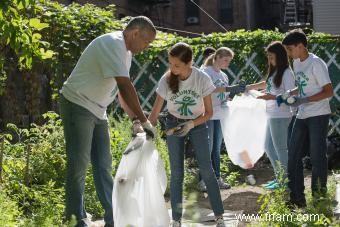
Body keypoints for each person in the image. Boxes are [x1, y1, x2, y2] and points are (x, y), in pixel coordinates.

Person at [59, 16, 156, 227]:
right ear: (135, 33)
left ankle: (114, 218)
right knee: (79, 164)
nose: (146, 47)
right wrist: (145, 121)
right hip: (77, 103)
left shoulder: (126, 53)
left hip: (98, 110)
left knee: (103, 165)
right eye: (146, 42)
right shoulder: (112, 43)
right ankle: (75, 219)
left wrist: (134, 120)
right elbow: (125, 86)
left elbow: (120, 92)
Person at [148, 42, 226, 227]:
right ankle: (176, 219)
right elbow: (155, 111)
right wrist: (146, 128)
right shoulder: (167, 79)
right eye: (170, 64)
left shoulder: (202, 78)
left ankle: (219, 216)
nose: (172, 69)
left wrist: (191, 124)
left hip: (197, 124)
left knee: (207, 170)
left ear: (189, 62)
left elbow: (209, 113)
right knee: (177, 173)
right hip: (173, 124)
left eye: (177, 65)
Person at [280, 29, 333, 207]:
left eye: (289, 49)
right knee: (293, 156)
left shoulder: (316, 63)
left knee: (317, 158)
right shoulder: (296, 62)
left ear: (301, 46)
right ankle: (297, 199)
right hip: (302, 114)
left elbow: (328, 91)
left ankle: (319, 200)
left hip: (318, 115)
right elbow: (303, 86)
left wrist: (304, 99)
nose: (288, 53)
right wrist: (290, 93)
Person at [246, 41, 295, 190]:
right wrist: (250, 87)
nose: (269, 59)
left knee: (280, 148)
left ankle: (284, 182)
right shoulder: (275, 71)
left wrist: (271, 97)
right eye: (268, 56)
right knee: (267, 146)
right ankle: (280, 177)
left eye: (271, 56)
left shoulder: (287, 72)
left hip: (281, 115)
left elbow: (290, 94)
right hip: (271, 114)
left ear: (280, 56)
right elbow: (267, 84)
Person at [197, 47, 246, 192]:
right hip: (207, 114)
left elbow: (224, 96)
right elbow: (208, 90)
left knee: (216, 150)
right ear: (216, 57)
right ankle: (203, 181)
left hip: (220, 115)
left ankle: (217, 178)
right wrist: (229, 89)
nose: (227, 63)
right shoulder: (205, 71)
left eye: (229, 61)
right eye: (226, 60)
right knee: (207, 148)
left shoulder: (224, 76)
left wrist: (235, 92)